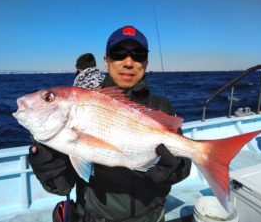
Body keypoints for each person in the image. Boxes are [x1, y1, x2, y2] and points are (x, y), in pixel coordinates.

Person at [28, 25, 191, 222]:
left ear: (146, 62)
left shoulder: (161, 107)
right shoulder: (84, 105)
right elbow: (62, 186)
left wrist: (176, 168)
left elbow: (184, 163)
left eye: (138, 55)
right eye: (118, 53)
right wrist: (49, 168)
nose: (128, 62)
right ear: (106, 61)